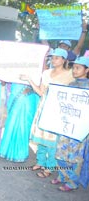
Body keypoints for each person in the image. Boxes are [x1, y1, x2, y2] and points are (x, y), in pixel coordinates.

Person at [20, 48, 75, 177]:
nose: (53, 60)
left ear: (64, 60)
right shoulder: (46, 73)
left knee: (52, 140)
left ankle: (50, 167)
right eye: (52, 57)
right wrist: (29, 79)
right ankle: (40, 161)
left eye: (57, 58)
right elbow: (40, 92)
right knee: (41, 137)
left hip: (58, 111)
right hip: (44, 108)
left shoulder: (70, 74)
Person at [51, 56, 89, 192]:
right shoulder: (71, 84)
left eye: (78, 68)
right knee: (60, 152)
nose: (74, 70)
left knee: (74, 157)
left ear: (87, 70)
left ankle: (72, 182)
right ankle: (62, 176)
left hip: (80, 130)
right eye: (73, 67)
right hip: (66, 126)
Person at [0, 82, 39, 162]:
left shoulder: (42, 69)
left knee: (24, 125)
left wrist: (32, 88)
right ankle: (5, 150)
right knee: (11, 123)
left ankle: (20, 154)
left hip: (29, 96)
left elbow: (43, 82)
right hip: (15, 92)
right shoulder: (15, 68)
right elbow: (4, 78)